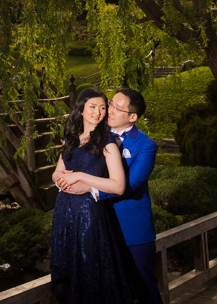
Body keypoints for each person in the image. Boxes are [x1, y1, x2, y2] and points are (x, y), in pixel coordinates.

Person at [67, 87, 162, 304]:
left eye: (117, 108)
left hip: (131, 230)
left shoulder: (146, 145)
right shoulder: (93, 135)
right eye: (110, 104)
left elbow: (131, 184)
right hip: (97, 225)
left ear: (132, 116)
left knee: (144, 288)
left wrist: (91, 189)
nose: (109, 111)